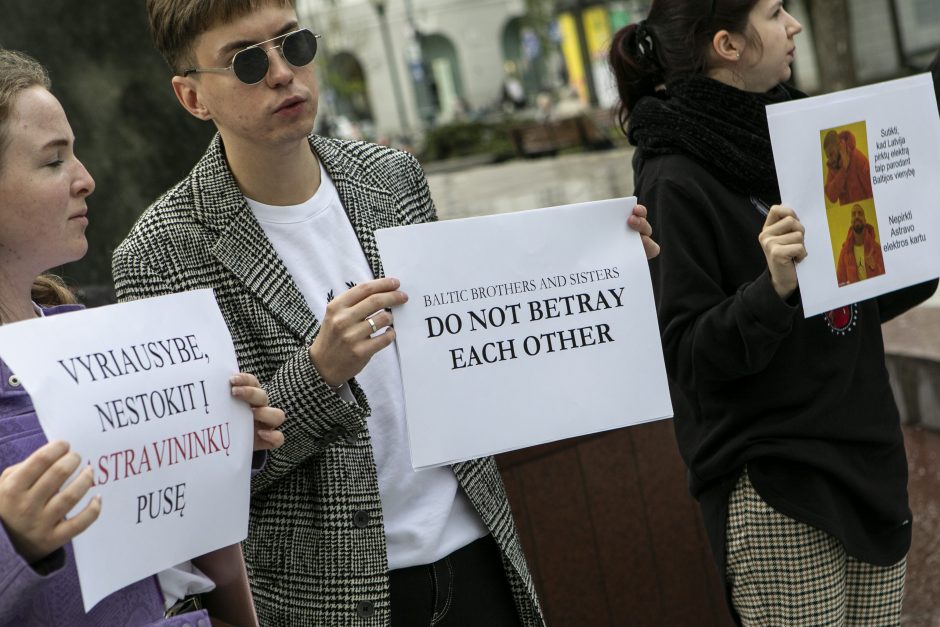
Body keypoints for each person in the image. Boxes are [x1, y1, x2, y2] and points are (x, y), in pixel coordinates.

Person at [113, 1, 659, 625]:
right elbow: (202, 481)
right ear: (192, 98)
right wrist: (320, 372)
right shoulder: (160, 253)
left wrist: (601, 275)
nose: (282, 73)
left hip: (478, 548)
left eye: (292, 44)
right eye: (245, 61)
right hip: (333, 595)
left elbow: (472, 344)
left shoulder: (391, 176)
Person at [609, 1, 938, 625]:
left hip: (868, 464)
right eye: (775, 11)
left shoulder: (812, 137)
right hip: (780, 490)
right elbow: (688, 358)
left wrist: (919, 238)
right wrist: (775, 287)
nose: (794, 24)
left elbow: (864, 298)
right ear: (728, 45)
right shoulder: (674, 175)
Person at [0, 48, 285, 626]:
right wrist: (14, 542)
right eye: (54, 162)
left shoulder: (83, 334)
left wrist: (222, 446)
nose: (86, 179)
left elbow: (180, 538)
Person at [836, 204, 885, 285]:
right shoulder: (844, 252)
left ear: (865, 220)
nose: (857, 216)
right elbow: (840, 282)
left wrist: (874, 267)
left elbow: (885, 279)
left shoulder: (876, 248)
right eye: (853, 214)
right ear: (851, 221)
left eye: (860, 213)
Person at [823, 129, 873, 205]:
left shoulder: (858, 158)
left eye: (831, 154)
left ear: (839, 145)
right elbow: (832, 197)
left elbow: (872, 191)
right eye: (828, 156)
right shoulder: (832, 166)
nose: (830, 159)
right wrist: (844, 170)